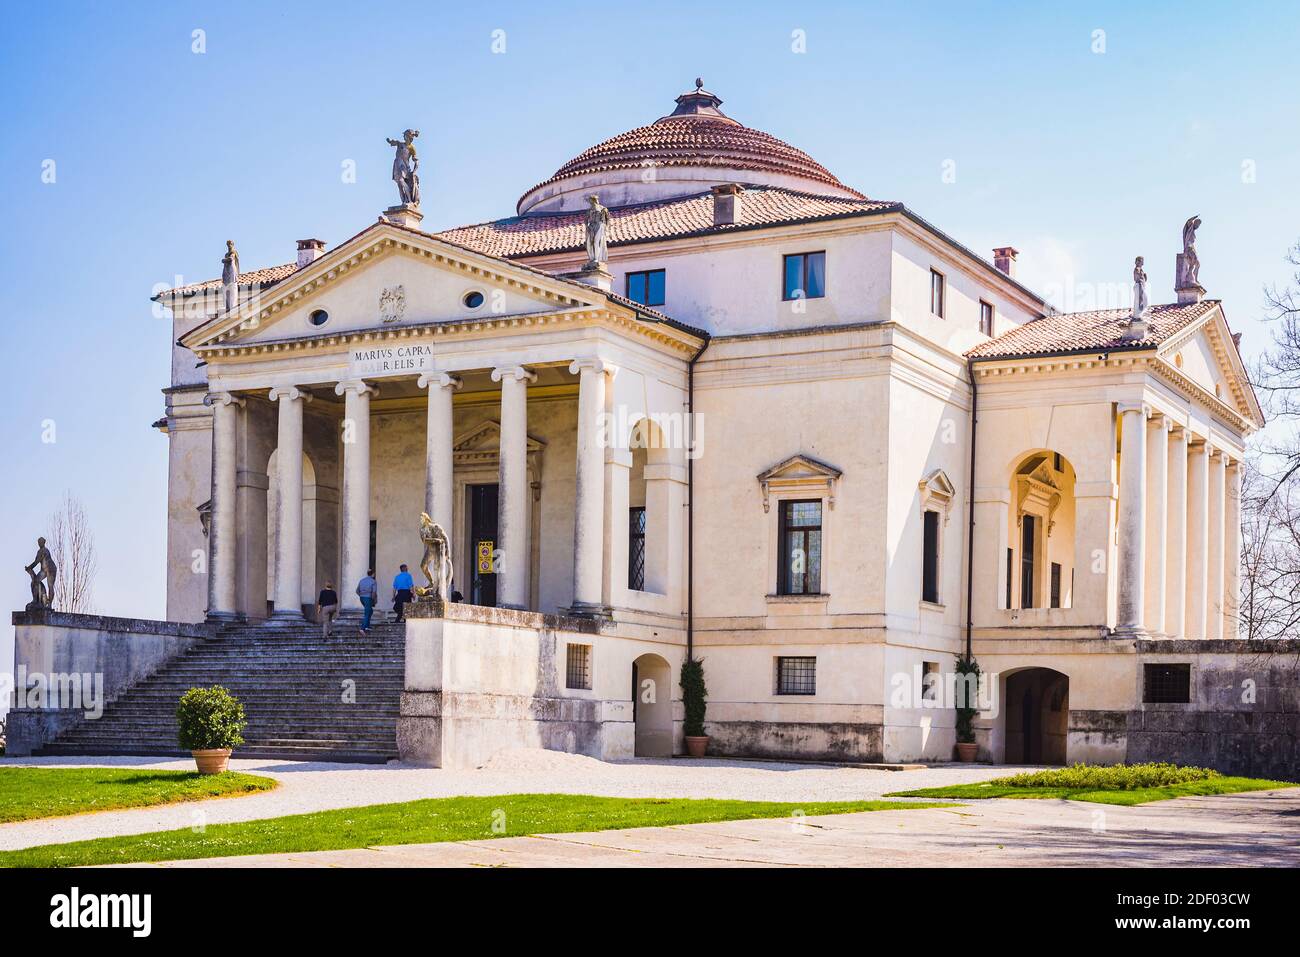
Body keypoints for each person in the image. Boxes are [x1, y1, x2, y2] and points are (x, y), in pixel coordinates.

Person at [356, 569, 378, 634]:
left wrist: (361, 595)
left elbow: (357, 591)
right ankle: (362, 628)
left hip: (362, 598)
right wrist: (373, 600)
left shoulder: (362, 580)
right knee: (367, 613)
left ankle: (367, 626)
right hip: (368, 598)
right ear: (373, 574)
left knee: (370, 611)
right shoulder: (373, 581)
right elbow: (374, 592)